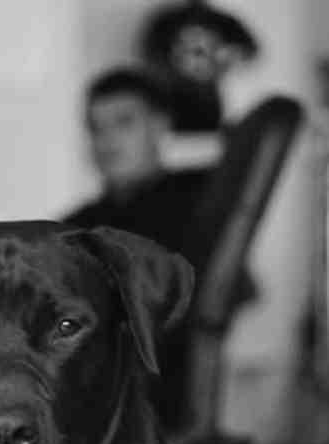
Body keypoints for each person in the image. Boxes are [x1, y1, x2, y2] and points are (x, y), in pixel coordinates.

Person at [63, 67, 210, 256]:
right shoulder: (71, 233)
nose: (107, 139)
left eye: (123, 122)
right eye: (95, 127)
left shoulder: (205, 200)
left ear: (159, 125)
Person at [141, 0, 260, 133]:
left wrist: (224, 56)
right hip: (172, 96)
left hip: (208, 99)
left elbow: (250, 51)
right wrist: (174, 63)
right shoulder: (168, 20)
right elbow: (149, 52)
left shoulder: (223, 21)